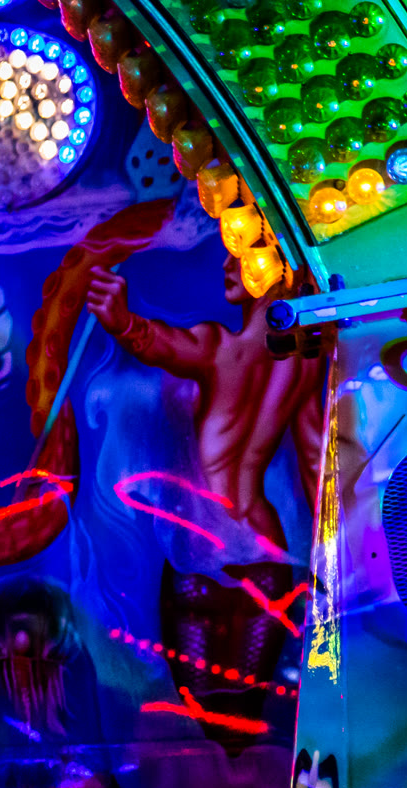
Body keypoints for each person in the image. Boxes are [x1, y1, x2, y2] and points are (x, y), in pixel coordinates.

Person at [84, 254, 326, 750]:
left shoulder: (221, 348)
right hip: (266, 556)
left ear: (273, 274)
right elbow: (315, 461)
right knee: (242, 715)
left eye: (244, 257)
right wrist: (331, 551)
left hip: (200, 558)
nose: (229, 267)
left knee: (209, 715)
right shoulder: (304, 363)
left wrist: (121, 320)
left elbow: (160, 344)